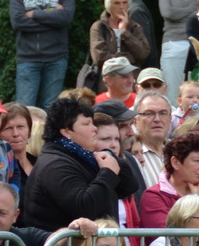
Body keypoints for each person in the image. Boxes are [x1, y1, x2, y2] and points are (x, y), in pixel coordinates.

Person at [21, 95, 127, 231]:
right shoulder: (55, 165)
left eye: (92, 123)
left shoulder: (85, 157)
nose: (94, 128)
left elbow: (128, 187)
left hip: (92, 243)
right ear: (66, 131)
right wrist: (108, 172)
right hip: (64, 244)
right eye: (86, 124)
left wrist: (111, 158)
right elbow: (84, 208)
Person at [9, 0, 76, 108]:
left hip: (56, 57)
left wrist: (34, 14)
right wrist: (53, 18)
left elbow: (66, 18)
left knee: (51, 109)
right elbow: (17, 21)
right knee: (25, 108)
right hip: (28, 58)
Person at [90, 0, 152, 74]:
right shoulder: (99, 27)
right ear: (108, 5)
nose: (121, 7)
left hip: (131, 77)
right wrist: (129, 59)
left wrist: (125, 33)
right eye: (117, 3)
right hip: (107, 76)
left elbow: (143, 54)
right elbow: (99, 57)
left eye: (124, 3)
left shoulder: (134, 27)